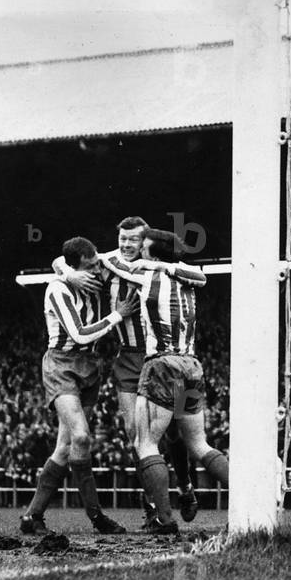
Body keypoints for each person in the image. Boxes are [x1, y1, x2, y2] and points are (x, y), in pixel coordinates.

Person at [52, 216, 206, 527]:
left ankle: (186, 487)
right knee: (136, 436)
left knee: (176, 432)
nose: (126, 245)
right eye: (122, 239)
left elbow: (198, 275)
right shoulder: (109, 261)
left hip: (163, 355)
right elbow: (60, 259)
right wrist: (70, 273)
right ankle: (152, 510)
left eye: (133, 240)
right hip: (129, 361)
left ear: (145, 241)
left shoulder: (154, 264)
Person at [20, 237, 136, 536]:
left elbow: (68, 259)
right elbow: (81, 334)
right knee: (82, 437)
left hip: (90, 365)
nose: (97, 269)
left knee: (65, 446)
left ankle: (32, 517)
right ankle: (97, 517)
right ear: (76, 266)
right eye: (90, 266)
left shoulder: (87, 268)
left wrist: (67, 268)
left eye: (97, 263)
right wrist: (116, 315)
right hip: (61, 364)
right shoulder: (57, 289)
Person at [117, 228, 229, 534]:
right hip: (191, 366)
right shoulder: (185, 278)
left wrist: (63, 265)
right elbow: (201, 276)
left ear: (153, 255)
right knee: (198, 443)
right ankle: (251, 504)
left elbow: (112, 263)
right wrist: (163, 264)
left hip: (161, 366)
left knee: (146, 443)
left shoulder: (145, 275)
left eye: (144, 249)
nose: (138, 252)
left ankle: (164, 521)